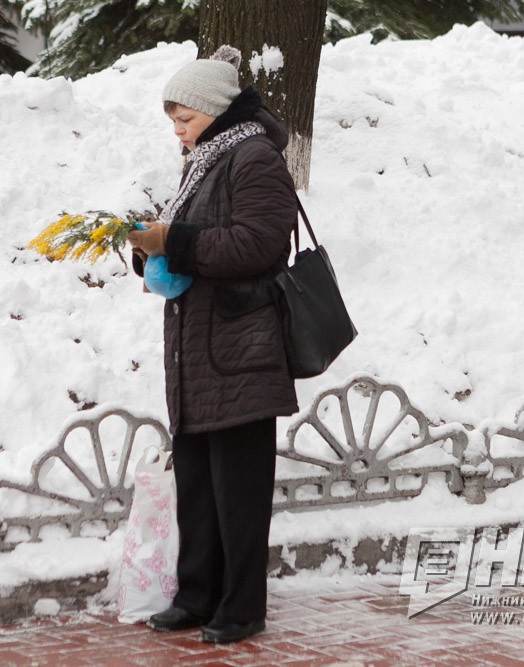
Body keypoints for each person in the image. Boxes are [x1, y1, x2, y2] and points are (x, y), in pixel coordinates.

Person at [126, 45, 299, 644]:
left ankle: (242, 607)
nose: (176, 129)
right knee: (198, 486)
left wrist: (173, 239)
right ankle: (196, 595)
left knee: (239, 491)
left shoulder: (254, 158)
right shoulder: (202, 160)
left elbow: (257, 245)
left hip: (241, 350)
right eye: (172, 119)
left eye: (184, 118)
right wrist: (146, 246)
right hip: (196, 352)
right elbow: (191, 236)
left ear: (217, 110)